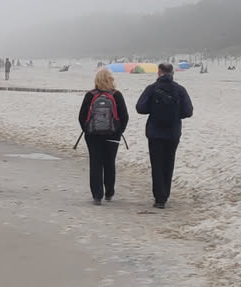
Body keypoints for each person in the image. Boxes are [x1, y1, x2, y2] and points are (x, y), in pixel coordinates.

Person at [134, 61, 193, 208]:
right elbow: (188, 111)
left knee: (157, 164)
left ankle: (159, 198)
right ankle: (165, 194)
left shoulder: (152, 88)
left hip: (155, 132)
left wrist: (154, 109)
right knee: (168, 163)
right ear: (172, 73)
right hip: (173, 132)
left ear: (159, 72)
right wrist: (175, 114)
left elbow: (140, 108)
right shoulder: (180, 90)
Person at [77, 68, 129, 204]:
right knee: (109, 162)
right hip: (113, 135)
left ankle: (97, 195)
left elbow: (81, 116)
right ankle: (109, 192)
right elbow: (124, 116)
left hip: (93, 135)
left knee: (95, 163)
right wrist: (119, 131)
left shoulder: (90, 95)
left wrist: (87, 130)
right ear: (111, 79)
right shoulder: (117, 95)